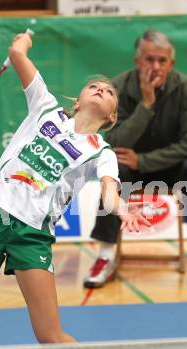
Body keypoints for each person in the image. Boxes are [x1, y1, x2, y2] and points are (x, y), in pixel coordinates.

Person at [0, 31, 150, 349]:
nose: (101, 88)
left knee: (48, 334)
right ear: (77, 101)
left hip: (31, 235)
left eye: (109, 91)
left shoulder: (101, 152)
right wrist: (23, 41)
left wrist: (120, 210)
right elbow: (17, 52)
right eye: (94, 86)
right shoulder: (45, 107)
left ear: (112, 117)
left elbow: (108, 190)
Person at [84, 29, 187, 289]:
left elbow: (186, 145)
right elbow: (111, 142)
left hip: (171, 169)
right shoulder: (117, 89)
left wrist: (143, 161)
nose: (155, 66)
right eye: (149, 59)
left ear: (171, 63)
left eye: (161, 61)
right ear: (137, 61)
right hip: (128, 170)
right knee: (113, 171)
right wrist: (146, 105)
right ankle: (105, 255)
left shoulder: (184, 89)